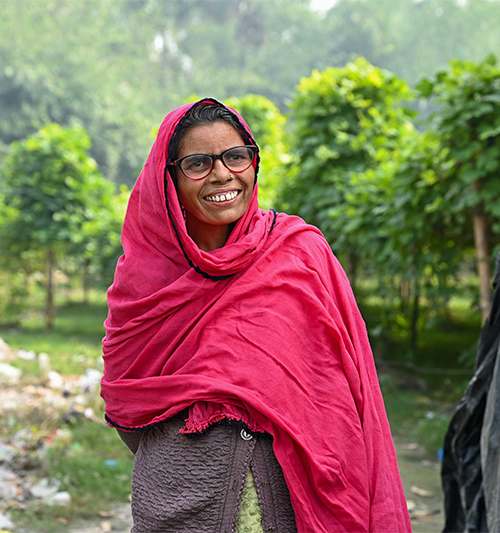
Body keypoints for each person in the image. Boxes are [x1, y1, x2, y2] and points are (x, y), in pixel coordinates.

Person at [101, 97, 411, 532]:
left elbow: (343, 390)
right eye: (198, 163)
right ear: (168, 179)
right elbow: (127, 403)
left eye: (236, 156)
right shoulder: (144, 280)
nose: (222, 174)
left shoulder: (298, 252)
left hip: (293, 502)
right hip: (179, 506)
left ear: (253, 162)